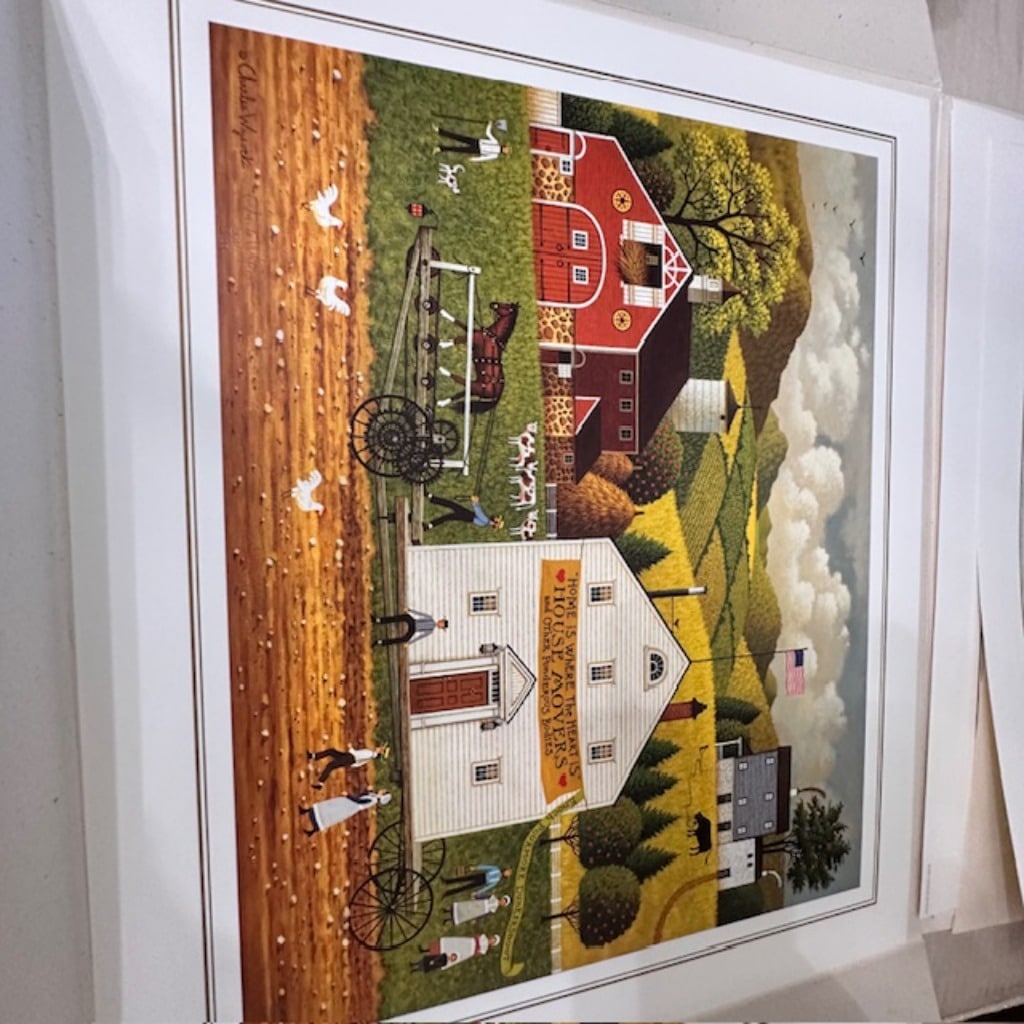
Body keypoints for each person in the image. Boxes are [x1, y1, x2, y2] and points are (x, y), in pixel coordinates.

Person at [299, 788, 390, 836]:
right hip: (349, 804)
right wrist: (367, 791)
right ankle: (307, 811)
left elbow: (358, 801)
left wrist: (348, 795)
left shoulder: (373, 800)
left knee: (332, 812)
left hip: (350, 806)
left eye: (383, 791)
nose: (382, 790)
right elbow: (361, 796)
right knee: (330, 806)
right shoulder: (373, 796)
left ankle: (312, 828)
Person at [307, 744, 389, 789]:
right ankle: (314, 756)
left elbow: (357, 755)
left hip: (350, 758)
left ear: (381, 752)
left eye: (381, 748)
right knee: (331, 752)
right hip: (350, 757)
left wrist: (350, 748)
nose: (380, 747)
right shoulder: (371, 754)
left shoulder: (370, 754)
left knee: (331, 765)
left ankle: (320, 783)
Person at [423, 492, 504, 531]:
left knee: (448, 515)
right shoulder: (486, 521)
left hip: (467, 515)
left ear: (495, 523)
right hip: (467, 515)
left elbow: (478, 513)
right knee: (449, 507)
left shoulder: (486, 521)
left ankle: (430, 525)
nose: (496, 517)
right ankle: (430, 497)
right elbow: (479, 511)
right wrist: (476, 501)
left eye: (497, 519)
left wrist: (475, 502)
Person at [434, 121, 509, 162]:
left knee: (459, 149)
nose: (506, 150)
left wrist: (474, 159)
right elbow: (488, 133)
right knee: (459, 137)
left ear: (504, 153)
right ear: (505, 146)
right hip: (477, 142)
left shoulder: (495, 155)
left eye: (506, 151)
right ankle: (440, 131)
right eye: (507, 149)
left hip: (477, 150)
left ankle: (440, 149)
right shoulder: (496, 142)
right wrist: (489, 126)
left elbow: (484, 158)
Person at [417, 933, 500, 969]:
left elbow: (477, 953)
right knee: (449, 944)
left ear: (492, 944)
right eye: (492, 939)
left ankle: (430, 959)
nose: (491, 940)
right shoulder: (483, 937)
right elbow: (476, 936)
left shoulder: (484, 949)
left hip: (468, 951)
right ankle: (425, 950)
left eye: (493, 941)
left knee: (451, 954)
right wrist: (476, 941)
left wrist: (477, 948)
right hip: (467, 942)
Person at [371, 609, 448, 646]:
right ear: (440, 620)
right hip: (413, 622)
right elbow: (420, 614)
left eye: (442, 626)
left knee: (404, 639)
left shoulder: (430, 631)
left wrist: (409, 643)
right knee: (405, 617)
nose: (440, 624)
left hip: (414, 630)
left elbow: (420, 637)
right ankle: (378, 620)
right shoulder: (430, 618)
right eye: (442, 622)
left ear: (440, 628)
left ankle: (380, 642)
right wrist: (410, 610)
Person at [441, 864, 512, 899]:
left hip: (482, 882)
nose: (506, 873)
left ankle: (448, 893)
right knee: (464, 878)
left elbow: (487, 887)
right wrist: (476, 868)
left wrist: (478, 892)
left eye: (508, 874)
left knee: (465, 887)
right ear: (505, 870)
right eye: (507, 871)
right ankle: (447, 881)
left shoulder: (497, 880)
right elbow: (486, 867)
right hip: (481, 875)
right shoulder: (496, 869)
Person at [445, 892, 512, 926]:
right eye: (503, 900)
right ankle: (449, 909)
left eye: (504, 903)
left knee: (466, 915)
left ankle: (450, 920)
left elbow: (484, 915)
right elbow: (484, 896)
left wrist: (476, 919)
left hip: (479, 911)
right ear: (502, 898)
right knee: (464, 907)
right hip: (477, 904)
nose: (502, 902)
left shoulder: (493, 910)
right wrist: (476, 896)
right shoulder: (493, 897)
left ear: (503, 905)